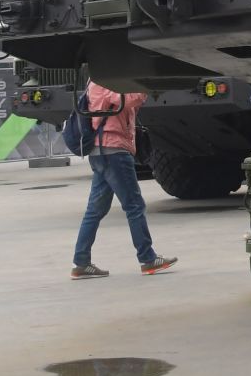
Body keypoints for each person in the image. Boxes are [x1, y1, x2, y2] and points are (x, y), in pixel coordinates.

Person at [71, 81, 177, 279]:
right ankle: (147, 259)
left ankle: (81, 262)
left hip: (102, 150)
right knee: (134, 206)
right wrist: (145, 86)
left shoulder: (99, 79)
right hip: (113, 150)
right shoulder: (103, 80)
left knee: (95, 210)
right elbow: (128, 100)